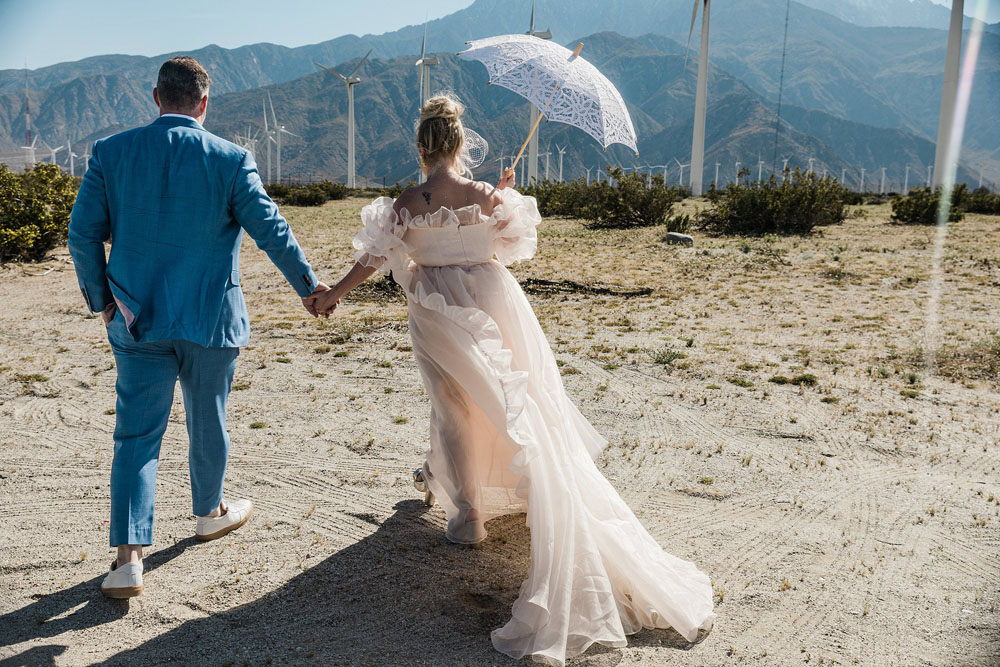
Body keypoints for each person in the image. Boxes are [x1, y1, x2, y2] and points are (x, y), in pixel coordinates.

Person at [313, 94, 715, 665]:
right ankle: (506, 487)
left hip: (434, 305)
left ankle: (469, 513)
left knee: (453, 405)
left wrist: (332, 295)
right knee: (512, 399)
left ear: (421, 146)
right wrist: (497, 197)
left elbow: (373, 259)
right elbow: (509, 246)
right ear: (458, 144)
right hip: (494, 299)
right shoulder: (488, 196)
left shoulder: (407, 201)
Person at [68, 56, 330, 599]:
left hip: (136, 319)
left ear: (156, 97)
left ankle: (127, 561)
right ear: (204, 104)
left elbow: (82, 235)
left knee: (136, 436)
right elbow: (272, 231)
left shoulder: (109, 153)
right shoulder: (231, 160)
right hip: (212, 319)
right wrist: (309, 288)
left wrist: (103, 301)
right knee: (208, 418)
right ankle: (210, 511)